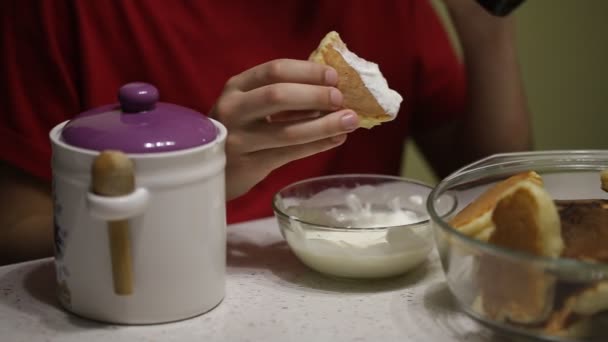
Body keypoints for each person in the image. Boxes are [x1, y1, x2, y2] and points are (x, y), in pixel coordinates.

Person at [0, 0, 530, 265]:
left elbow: (493, 189)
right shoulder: (62, 10)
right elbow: (14, 232)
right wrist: (192, 182)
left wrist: (487, 30)